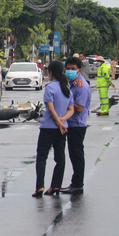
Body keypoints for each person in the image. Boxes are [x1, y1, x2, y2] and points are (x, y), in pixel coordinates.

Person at [33, 60, 75, 198]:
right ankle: (56, 185)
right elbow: (71, 110)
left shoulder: (50, 88)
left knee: (41, 157)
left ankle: (40, 186)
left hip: (49, 127)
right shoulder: (66, 88)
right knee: (60, 157)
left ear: (51, 73)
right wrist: (63, 121)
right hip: (62, 129)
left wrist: (58, 121)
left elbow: (50, 109)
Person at [61, 57, 92, 194]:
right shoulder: (70, 83)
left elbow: (79, 108)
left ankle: (78, 184)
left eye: (73, 69)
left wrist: (64, 105)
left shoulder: (81, 86)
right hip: (71, 123)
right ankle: (75, 182)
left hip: (77, 124)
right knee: (73, 154)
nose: (70, 71)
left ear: (79, 70)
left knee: (77, 154)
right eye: (68, 68)